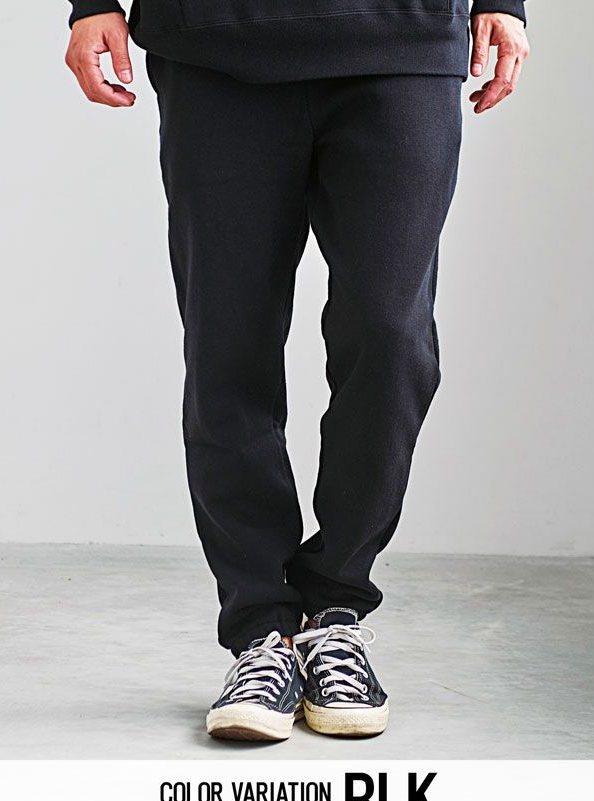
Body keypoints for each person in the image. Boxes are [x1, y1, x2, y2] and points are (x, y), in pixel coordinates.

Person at [65, 0, 529, 742]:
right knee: (228, 345)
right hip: (213, 45)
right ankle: (260, 629)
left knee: (391, 335)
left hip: (401, 39)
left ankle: (335, 610)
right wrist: (89, 4)